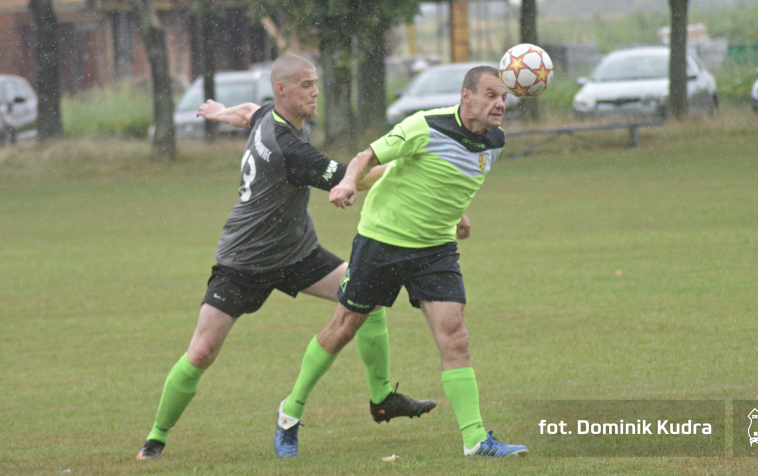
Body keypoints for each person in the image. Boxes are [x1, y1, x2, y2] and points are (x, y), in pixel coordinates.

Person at [136, 54, 436, 460]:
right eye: (307, 85)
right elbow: (355, 178)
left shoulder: (272, 116)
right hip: (243, 261)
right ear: (283, 90)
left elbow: (249, 113)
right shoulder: (290, 149)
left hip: (297, 253)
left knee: (367, 294)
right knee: (202, 351)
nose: (316, 92)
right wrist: (408, 167)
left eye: (316, 83)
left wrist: (223, 113)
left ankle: (382, 398)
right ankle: (155, 439)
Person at [273, 66, 528, 458]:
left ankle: (475, 440)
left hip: (435, 249)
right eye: (491, 95)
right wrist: (345, 182)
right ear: (466, 97)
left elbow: (449, 177)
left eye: (503, 98)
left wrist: (456, 214)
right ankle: (289, 414)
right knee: (342, 328)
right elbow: (366, 157)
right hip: (382, 241)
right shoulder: (424, 125)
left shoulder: (495, 141)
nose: (499, 104)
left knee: (455, 336)